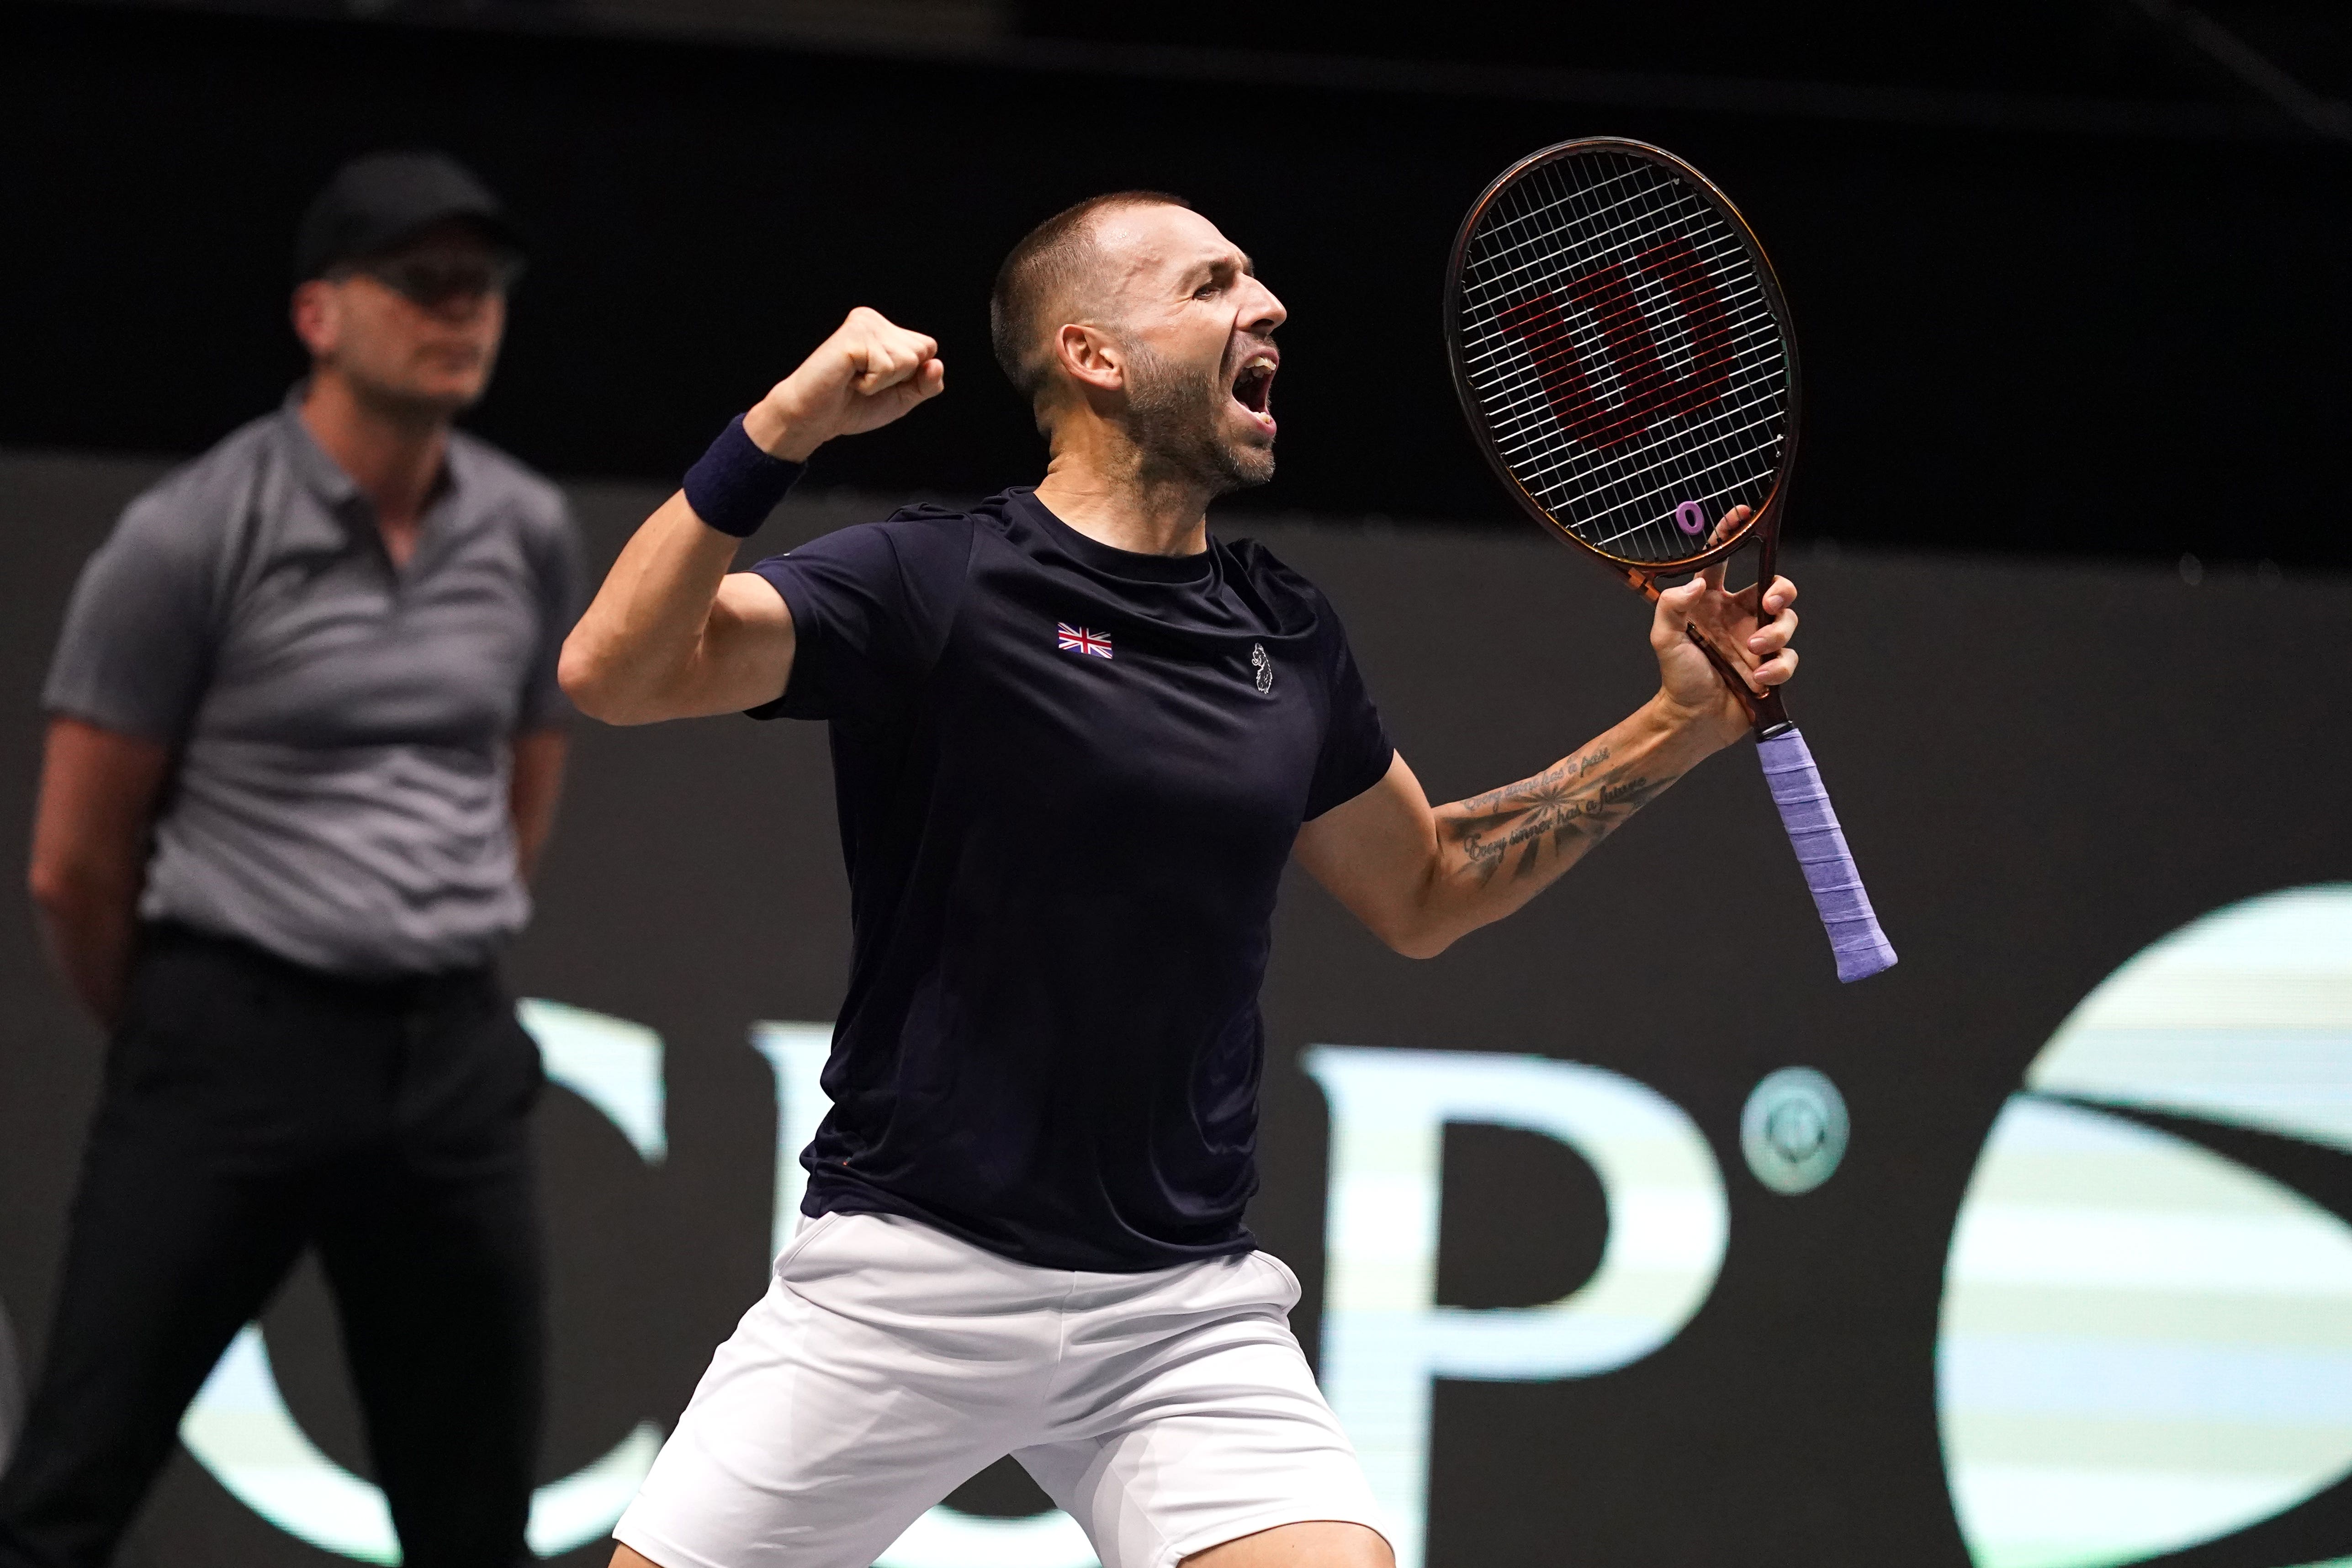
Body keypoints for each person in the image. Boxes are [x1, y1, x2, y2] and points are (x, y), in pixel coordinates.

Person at [560, 190, 1801, 1568]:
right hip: (912, 1279)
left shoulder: (1284, 631)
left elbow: (1429, 888)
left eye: (1256, 281)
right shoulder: (942, 579)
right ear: (1092, 355)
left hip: (1174, 1312)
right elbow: (613, 674)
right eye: (1211, 284)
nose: (1265, 308)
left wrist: (1681, 721)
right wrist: (780, 428)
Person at [2, 150, 581, 1568]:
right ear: (319, 314)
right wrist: (190, 1031)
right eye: (422, 282)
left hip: (447, 1059)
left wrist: (435, 926)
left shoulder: (524, 527)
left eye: (483, 284)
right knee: (72, 1490)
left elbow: (524, 771)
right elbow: (74, 862)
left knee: (472, 1521)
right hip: (230, 1046)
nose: (462, 311)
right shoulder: (189, 535)